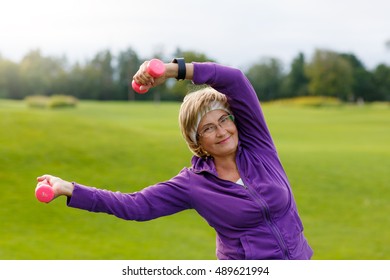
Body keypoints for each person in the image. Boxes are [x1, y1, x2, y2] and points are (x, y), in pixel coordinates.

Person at [37, 59, 313, 260]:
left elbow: (236, 80)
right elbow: (136, 206)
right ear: (197, 142)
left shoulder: (258, 146)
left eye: (224, 120)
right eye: (208, 128)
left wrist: (172, 70)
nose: (222, 131)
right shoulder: (192, 185)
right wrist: (70, 189)